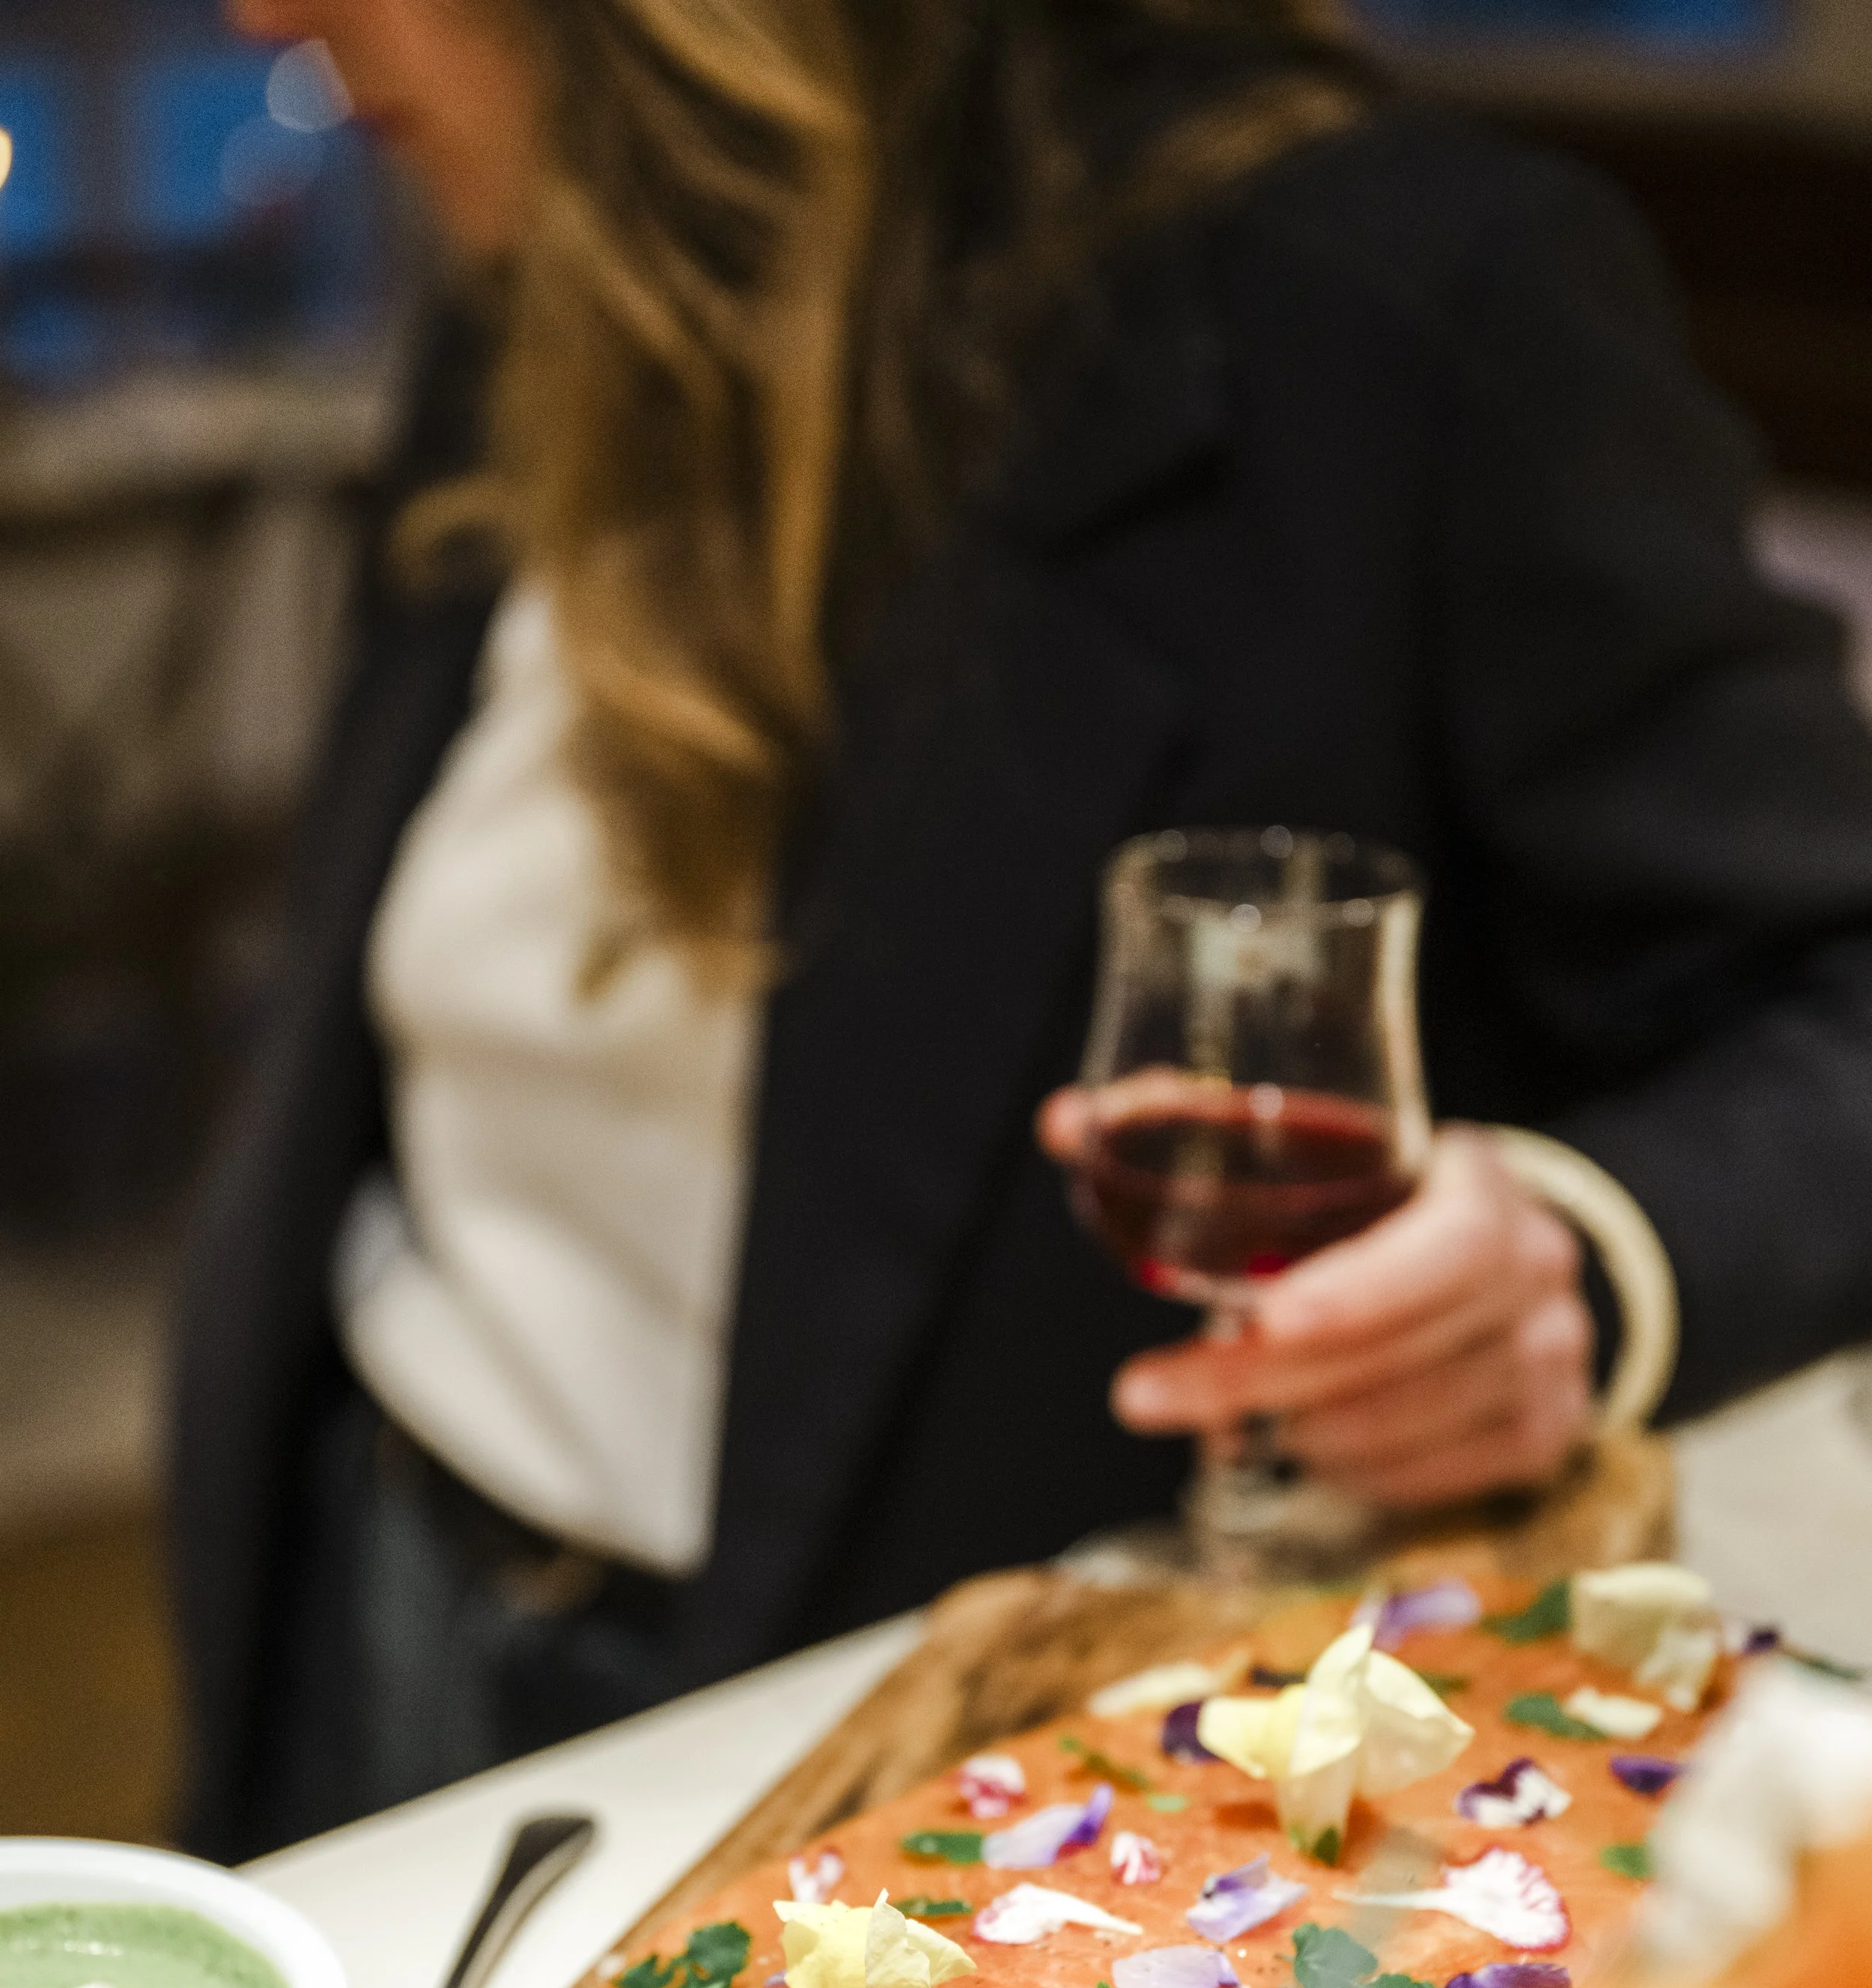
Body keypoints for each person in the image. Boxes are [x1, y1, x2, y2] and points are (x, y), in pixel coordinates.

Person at [177, 0, 1872, 1863]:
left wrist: (1572, 1256)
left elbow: (1830, 996)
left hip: (926, 1751)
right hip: (376, 1568)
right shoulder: (555, 258)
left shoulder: (1389, 301)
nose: (260, 10)